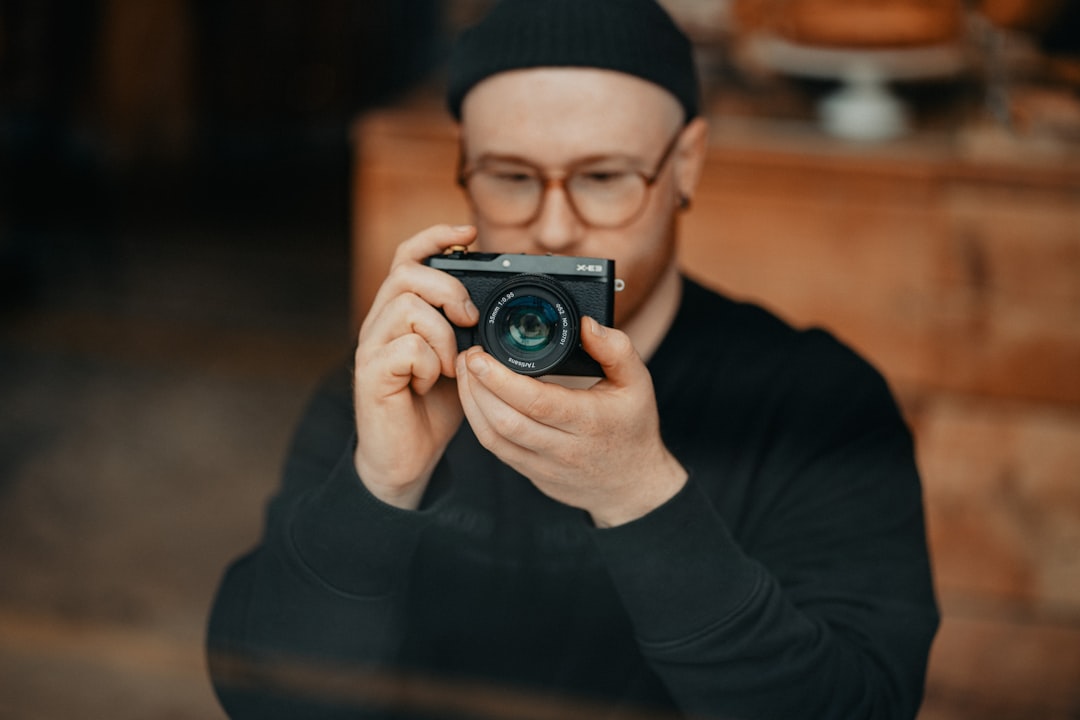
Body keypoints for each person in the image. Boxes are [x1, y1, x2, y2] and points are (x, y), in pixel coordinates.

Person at [206, 1, 939, 718]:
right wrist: (380, 486)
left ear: (686, 164)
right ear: (462, 164)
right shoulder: (396, 382)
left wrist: (640, 496)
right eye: (512, 176)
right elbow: (264, 696)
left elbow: (860, 701)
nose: (554, 226)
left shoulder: (819, 404)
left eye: (602, 177)